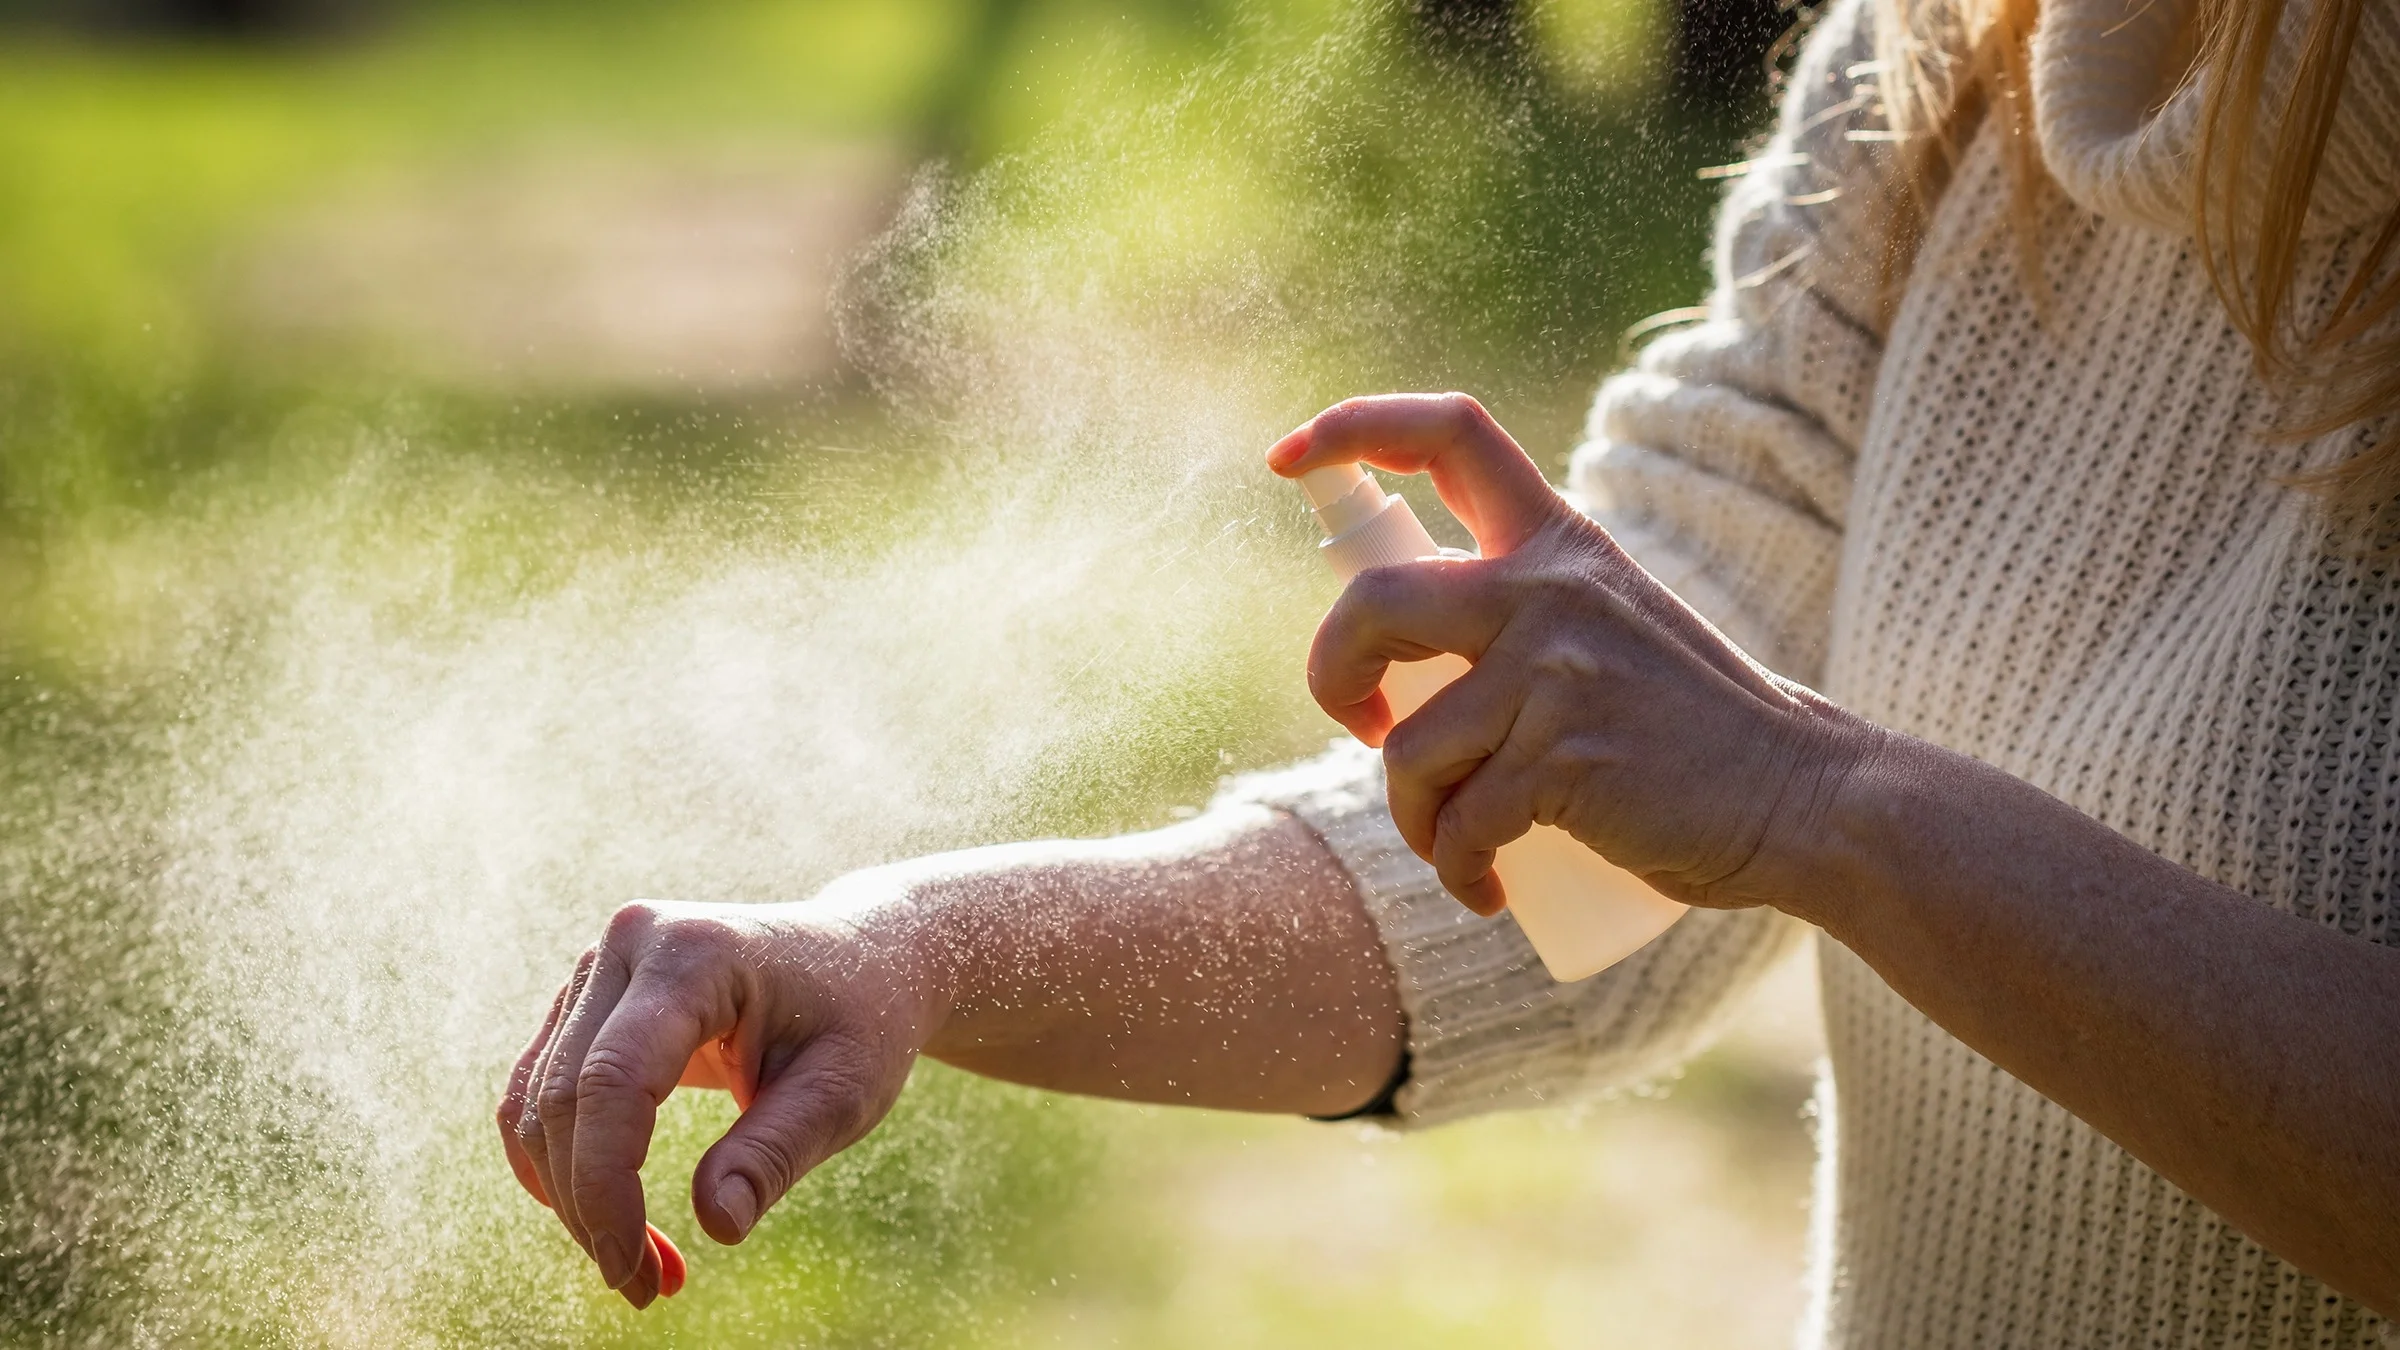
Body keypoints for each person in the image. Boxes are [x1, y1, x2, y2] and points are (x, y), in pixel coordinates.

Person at [496, 0, 2400, 1340]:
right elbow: (1563, 875)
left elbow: (1751, 790)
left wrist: (1831, 812)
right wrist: (902, 949)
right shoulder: (1944, 76)